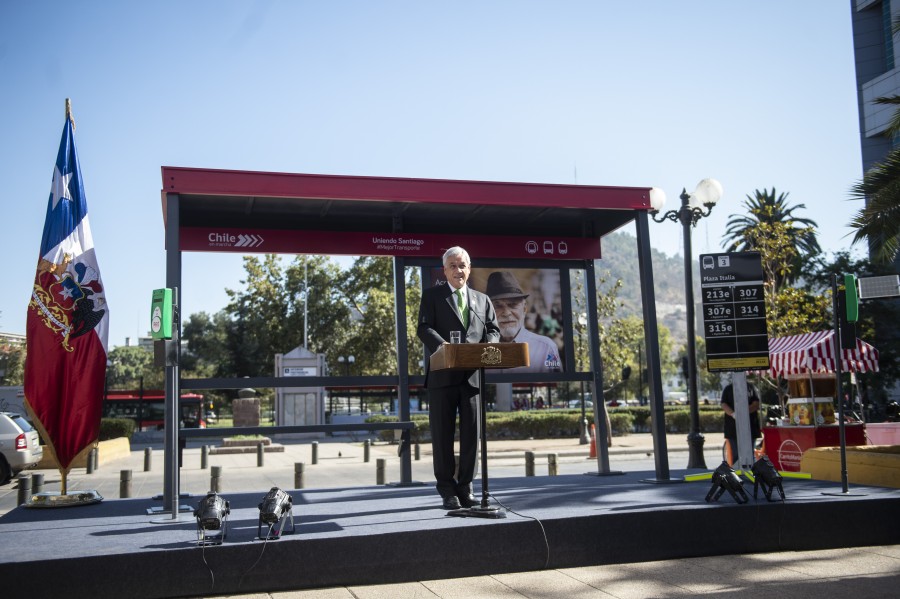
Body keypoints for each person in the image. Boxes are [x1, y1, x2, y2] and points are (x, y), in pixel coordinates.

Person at [416, 246, 500, 510]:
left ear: (469, 269)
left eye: (462, 265)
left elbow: (493, 329)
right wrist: (445, 348)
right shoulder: (432, 297)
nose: (458, 270)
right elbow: (424, 327)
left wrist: (490, 345)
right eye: (452, 265)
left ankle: (466, 486)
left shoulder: (482, 300)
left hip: (472, 379)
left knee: (471, 437)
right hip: (442, 377)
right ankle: (447, 490)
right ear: (445, 270)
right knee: (442, 437)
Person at [485, 271, 562, 372]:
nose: (506, 313)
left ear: (525, 309)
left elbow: (556, 385)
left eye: (513, 304)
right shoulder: (475, 350)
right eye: (497, 306)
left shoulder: (546, 348)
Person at [720, 381, 761, 465]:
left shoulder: (750, 387)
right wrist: (734, 414)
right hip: (733, 428)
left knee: (749, 453)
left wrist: (744, 412)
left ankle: (750, 472)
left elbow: (756, 403)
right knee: (736, 454)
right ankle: (738, 473)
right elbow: (724, 404)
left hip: (750, 427)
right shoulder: (728, 388)